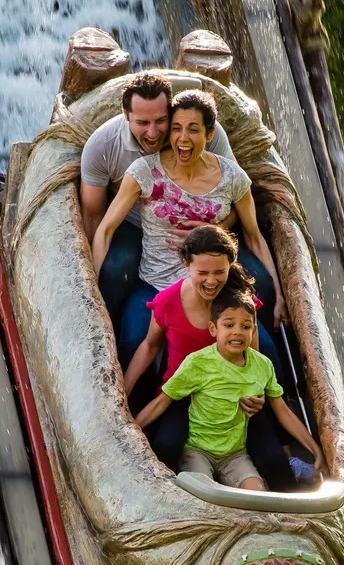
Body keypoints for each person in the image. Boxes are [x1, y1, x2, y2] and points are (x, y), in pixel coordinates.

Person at [92, 88, 285, 367]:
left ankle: (269, 403)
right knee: (134, 342)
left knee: (265, 352)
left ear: (209, 135)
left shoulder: (233, 177)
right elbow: (106, 230)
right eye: (177, 129)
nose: (183, 138)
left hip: (213, 286)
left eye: (193, 129)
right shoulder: (144, 171)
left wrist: (279, 295)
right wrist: (92, 286)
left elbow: (254, 237)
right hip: (156, 284)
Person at [123, 225, 294, 487]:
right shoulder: (168, 300)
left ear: (230, 266)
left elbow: (253, 359)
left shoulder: (238, 303)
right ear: (186, 265)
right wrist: (123, 391)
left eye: (219, 272)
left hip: (233, 395)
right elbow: (150, 346)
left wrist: (256, 394)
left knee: (273, 461)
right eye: (202, 273)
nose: (211, 281)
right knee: (166, 445)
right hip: (183, 394)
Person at [79, 72, 234, 328]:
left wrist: (216, 230)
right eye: (142, 122)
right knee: (116, 268)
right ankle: (106, 330)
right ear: (125, 115)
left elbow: (236, 194)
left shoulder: (194, 136)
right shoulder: (103, 146)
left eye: (161, 121)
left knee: (255, 277)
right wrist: (90, 281)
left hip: (199, 226)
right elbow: (94, 217)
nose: (153, 132)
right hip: (132, 224)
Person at [135, 286, 324, 492]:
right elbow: (161, 402)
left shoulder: (262, 365)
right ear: (214, 329)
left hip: (234, 454)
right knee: (204, 493)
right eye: (228, 325)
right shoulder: (197, 363)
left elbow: (283, 412)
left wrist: (314, 448)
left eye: (245, 326)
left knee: (258, 493)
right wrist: (132, 430)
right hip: (198, 451)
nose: (237, 332)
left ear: (253, 330)